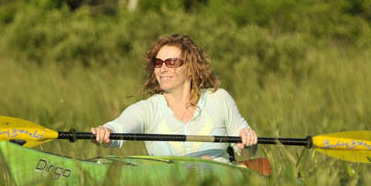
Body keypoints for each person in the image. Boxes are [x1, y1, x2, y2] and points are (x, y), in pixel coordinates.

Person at [90, 34, 258, 161]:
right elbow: (118, 128)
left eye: (171, 62)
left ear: (191, 68)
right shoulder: (149, 109)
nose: (162, 69)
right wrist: (106, 133)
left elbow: (246, 150)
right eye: (158, 63)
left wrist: (248, 143)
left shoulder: (219, 99)